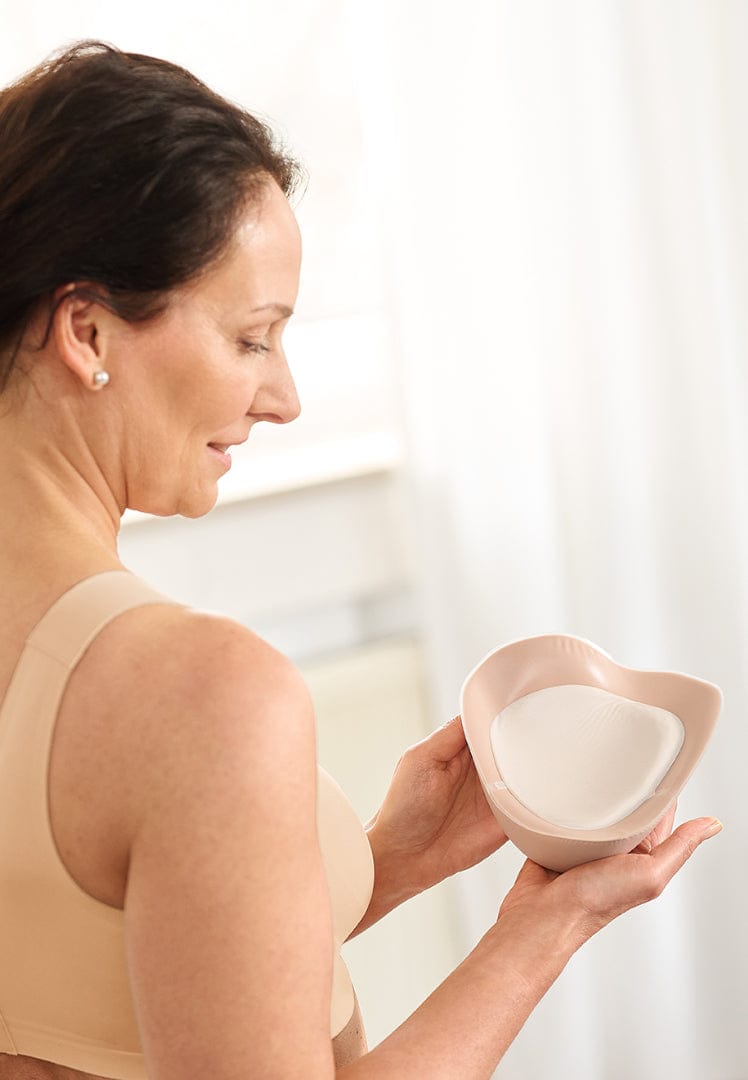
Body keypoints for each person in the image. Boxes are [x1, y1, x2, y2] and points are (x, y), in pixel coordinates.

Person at [0, 40, 722, 1080]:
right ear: (87, 331)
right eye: (253, 338)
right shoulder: (196, 691)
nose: (285, 398)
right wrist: (547, 926)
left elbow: (93, 971)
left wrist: (390, 858)